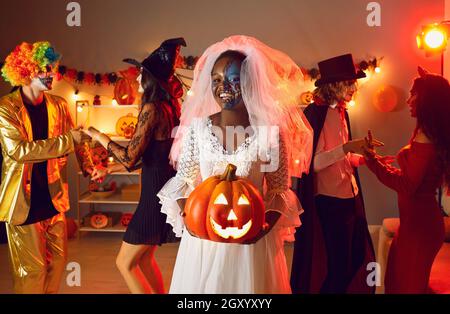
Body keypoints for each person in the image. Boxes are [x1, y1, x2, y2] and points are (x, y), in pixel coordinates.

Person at [157, 35, 313, 293]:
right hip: (205, 241)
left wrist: (264, 228)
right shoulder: (198, 129)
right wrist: (190, 217)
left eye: (233, 79)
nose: (223, 86)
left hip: (250, 240)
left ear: (250, 82)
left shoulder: (270, 134)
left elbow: (277, 190)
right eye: (217, 80)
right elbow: (183, 181)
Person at [83, 38, 186, 294]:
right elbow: (151, 157)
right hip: (163, 192)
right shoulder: (170, 106)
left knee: (124, 263)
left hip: (153, 198)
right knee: (143, 259)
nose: (138, 79)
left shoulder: (151, 109)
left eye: (141, 74)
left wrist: (99, 137)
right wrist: (110, 169)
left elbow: (129, 157)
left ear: (151, 79)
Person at [0, 41, 90, 293]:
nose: (53, 73)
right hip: (22, 202)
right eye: (45, 68)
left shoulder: (59, 104)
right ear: (25, 71)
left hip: (53, 197)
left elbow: (75, 138)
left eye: (54, 67)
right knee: (32, 270)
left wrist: (90, 166)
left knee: (58, 263)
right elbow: (17, 151)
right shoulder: (6, 108)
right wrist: (67, 141)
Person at [291, 54, 379, 294]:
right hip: (330, 201)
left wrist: (364, 158)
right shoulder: (315, 114)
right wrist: (347, 147)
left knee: (357, 257)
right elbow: (314, 163)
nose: (353, 90)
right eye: (348, 85)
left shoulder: (342, 113)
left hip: (349, 196)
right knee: (339, 266)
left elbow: (344, 159)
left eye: (354, 85)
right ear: (333, 86)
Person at [361, 67, 449, 293]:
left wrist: (372, 162)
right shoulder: (429, 132)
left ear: (426, 100)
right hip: (414, 224)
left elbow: (407, 186)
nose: (409, 100)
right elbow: (414, 181)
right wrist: (376, 162)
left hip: (420, 227)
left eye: (413, 94)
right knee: (398, 283)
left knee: (406, 286)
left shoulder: (426, 136)